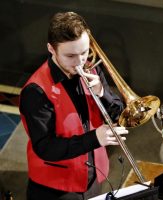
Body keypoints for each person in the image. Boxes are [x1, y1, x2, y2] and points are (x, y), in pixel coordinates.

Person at [19, 11, 128, 200]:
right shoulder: (36, 91)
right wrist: (95, 138)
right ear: (51, 49)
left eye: (84, 52)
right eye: (70, 55)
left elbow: (118, 113)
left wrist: (102, 92)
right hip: (57, 188)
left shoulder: (91, 68)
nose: (79, 62)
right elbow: (45, 147)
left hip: (94, 177)